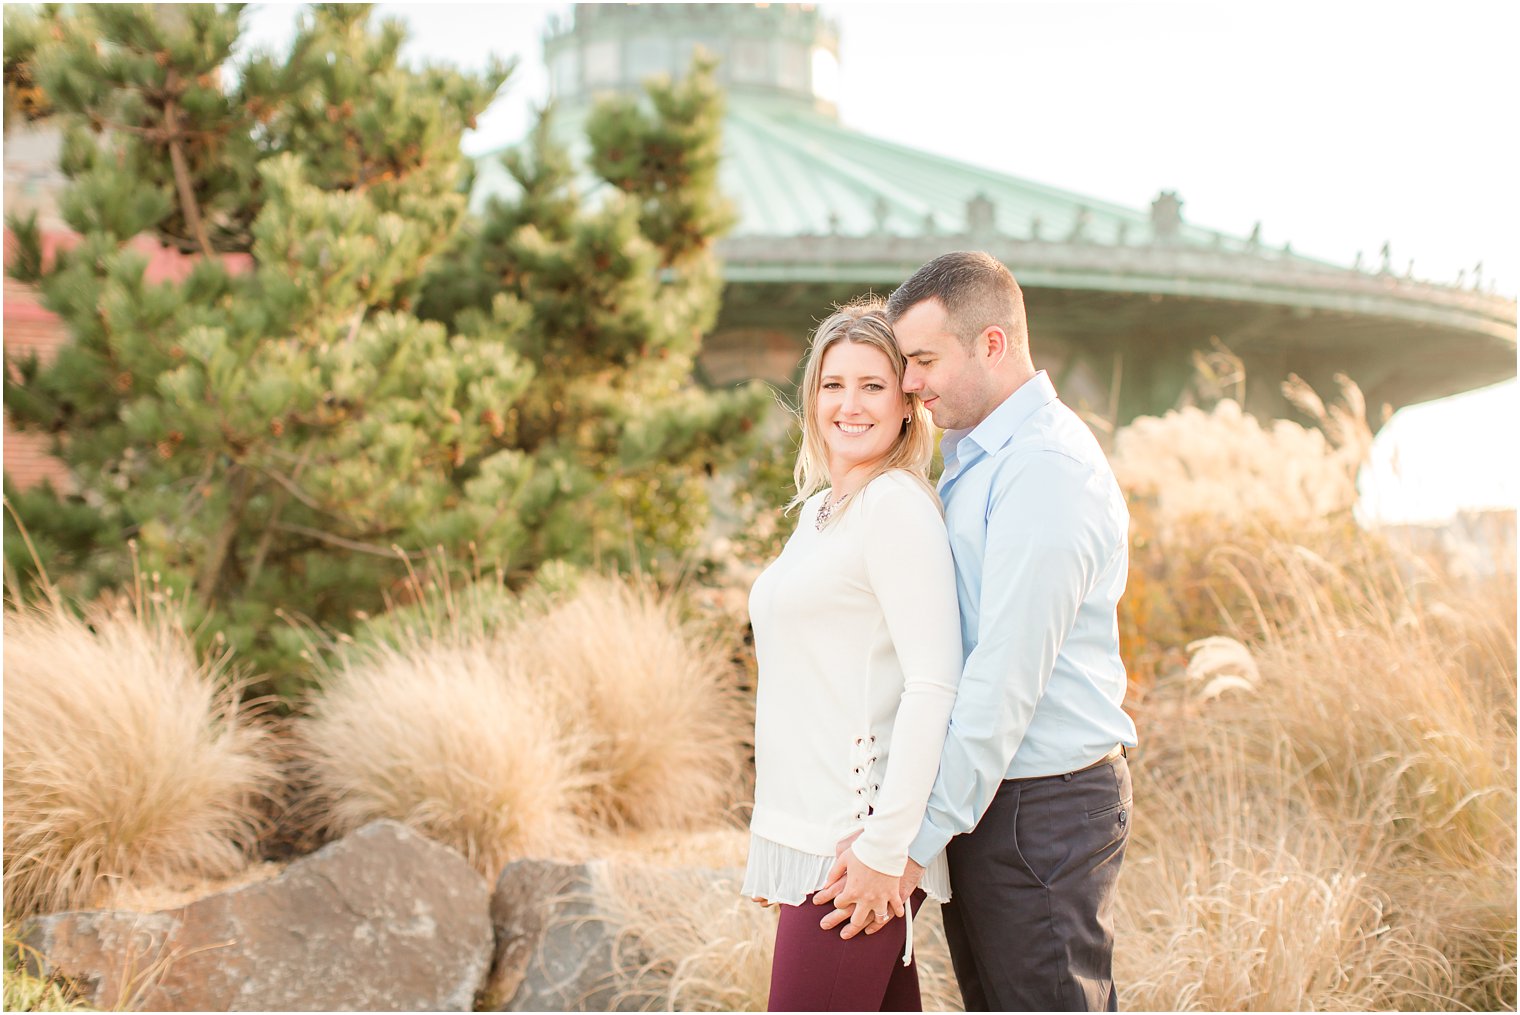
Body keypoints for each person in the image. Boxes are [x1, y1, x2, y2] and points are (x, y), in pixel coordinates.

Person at [815, 252, 1139, 1011]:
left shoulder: (1045, 471)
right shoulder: (976, 459)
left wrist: (906, 847)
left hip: (1042, 808)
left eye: (922, 360)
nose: (910, 383)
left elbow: (1001, 685)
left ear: (991, 344)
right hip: (993, 799)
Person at [743, 300, 964, 1012]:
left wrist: (886, 846)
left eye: (873, 384)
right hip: (813, 838)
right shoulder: (818, 513)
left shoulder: (896, 505)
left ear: (906, 404)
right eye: (833, 383)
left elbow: (935, 683)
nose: (850, 403)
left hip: (857, 843)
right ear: (813, 397)